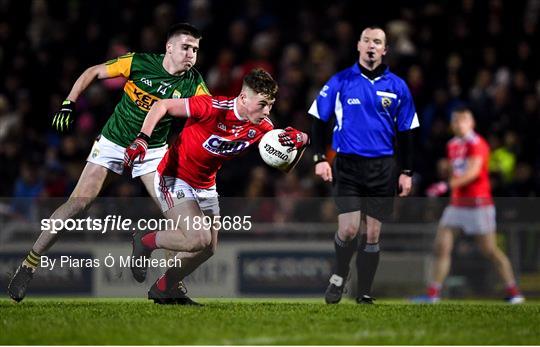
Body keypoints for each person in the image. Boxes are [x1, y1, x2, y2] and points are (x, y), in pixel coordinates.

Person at [8, 23, 209, 303]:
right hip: (114, 143)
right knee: (78, 204)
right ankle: (29, 264)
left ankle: (168, 284)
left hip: (152, 153)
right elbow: (94, 71)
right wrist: (69, 102)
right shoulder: (138, 62)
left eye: (196, 50)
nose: (191, 54)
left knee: (178, 220)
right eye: (186, 47)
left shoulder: (194, 84)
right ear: (170, 47)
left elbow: (211, 116)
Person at [123, 68, 308, 304]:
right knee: (197, 239)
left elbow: (286, 167)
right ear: (243, 98)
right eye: (262, 104)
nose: (267, 111)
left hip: (206, 186)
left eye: (270, 105)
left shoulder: (263, 127)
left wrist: (303, 140)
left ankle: (164, 288)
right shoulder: (212, 107)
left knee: (208, 248)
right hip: (175, 176)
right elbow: (163, 106)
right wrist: (142, 138)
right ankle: (144, 241)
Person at [308, 26, 419, 304]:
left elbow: (407, 133)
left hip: (382, 167)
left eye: (377, 42)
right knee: (348, 230)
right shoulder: (340, 81)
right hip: (347, 165)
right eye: (367, 40)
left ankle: (364, 293)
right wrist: (319, 158)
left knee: (372, 233)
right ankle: (340, 272)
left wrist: (406, 172)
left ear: (385, 50)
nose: (371, 46)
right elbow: (318, 120)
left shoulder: (398, 86)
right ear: (358, 45)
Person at [420, 107, 524, 304]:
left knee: (490, 250)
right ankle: (433, 294)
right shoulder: (451, 145)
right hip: (457, 204)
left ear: (471, 123)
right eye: (456, 121)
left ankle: (514, 291)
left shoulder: (478, 144)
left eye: (463, 120)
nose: (459, 124)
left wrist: (445, 185)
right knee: (441, 246)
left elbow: (473, 173)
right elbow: (457, 172)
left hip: (479, 204)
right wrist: (446, 171)